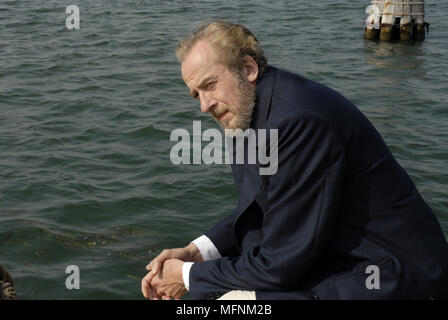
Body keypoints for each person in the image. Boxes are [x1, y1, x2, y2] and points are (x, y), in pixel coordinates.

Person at [141, 20, 448, 300]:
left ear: (248, 69)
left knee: (225, 303)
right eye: (196, 95)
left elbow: (278, 267)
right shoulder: (248, 112)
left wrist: (186, 276)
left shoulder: (299, 121)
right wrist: (198, 253)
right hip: (335, 256)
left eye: (210, 85)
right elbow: (261, 207)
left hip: (391, 275)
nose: (205, 106)